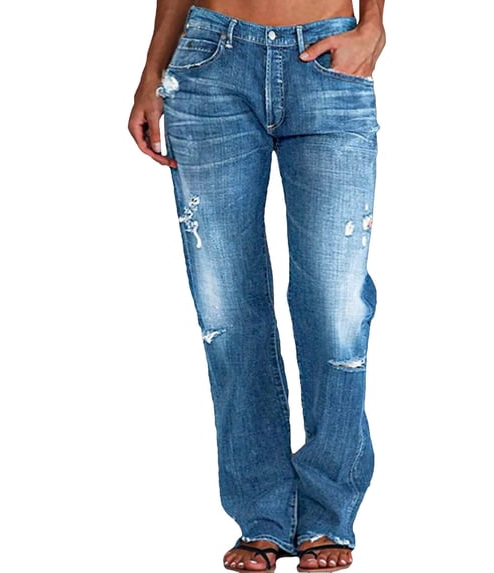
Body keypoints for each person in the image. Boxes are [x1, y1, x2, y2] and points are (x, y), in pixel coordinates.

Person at [128, 1, 385, 571]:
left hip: (327, 59)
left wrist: (373, 25)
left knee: (336, 306)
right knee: (227, 309)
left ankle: (328, 514)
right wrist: (151, 74)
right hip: (208, 64)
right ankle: (262, 516)